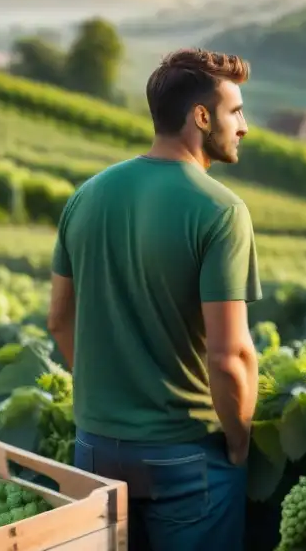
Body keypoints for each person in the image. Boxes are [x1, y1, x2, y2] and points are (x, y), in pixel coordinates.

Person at [47, 48, 261, 551]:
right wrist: (238, 439)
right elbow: (229, 356)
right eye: (236, 111)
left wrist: (108, 406)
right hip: (185, 455)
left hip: (94, 447)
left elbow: (59, 321)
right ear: (201, 116)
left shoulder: (86, 196)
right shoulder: (221, 212)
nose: (244, 126)